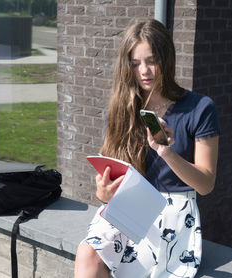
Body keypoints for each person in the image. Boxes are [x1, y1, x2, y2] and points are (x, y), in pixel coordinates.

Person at [74, 19, 220, 278]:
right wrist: (103, 192)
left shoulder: (199, 107)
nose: (144, 71)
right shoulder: (120, 111)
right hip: (129, 204)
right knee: (87, 255)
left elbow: (206, 184)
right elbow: (112, 173)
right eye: (135, 63)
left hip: (173, 210)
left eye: (151, 60)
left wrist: (166, 152)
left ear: (167, 58)